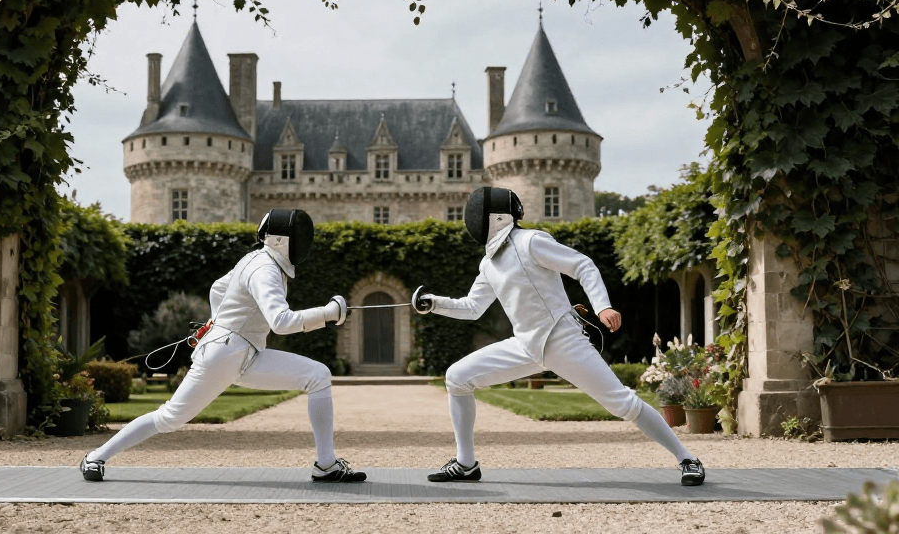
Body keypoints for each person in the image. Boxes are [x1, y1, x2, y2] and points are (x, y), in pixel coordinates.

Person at [411, 187, 705, 486]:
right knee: (457, 378)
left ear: (495, 217)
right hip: (525, 345)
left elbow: (582, 265)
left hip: (562, 339)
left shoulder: (531, 241)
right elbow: (473, 308)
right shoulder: (489, 263)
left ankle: (687, 459)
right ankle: (466, 464)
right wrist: (433, 303)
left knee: (623, 404)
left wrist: (603, 306)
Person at [80, 209, 366, 483]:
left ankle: (326, 465)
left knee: (318, 376)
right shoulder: (265, 269)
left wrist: (217, 322)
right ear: (282, 240)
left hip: (245, 355)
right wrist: (328, 314)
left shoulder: (254, 260)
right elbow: (281, 321)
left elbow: (217, 287)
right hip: (225, 355)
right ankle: (95, 457)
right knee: (169, 417)